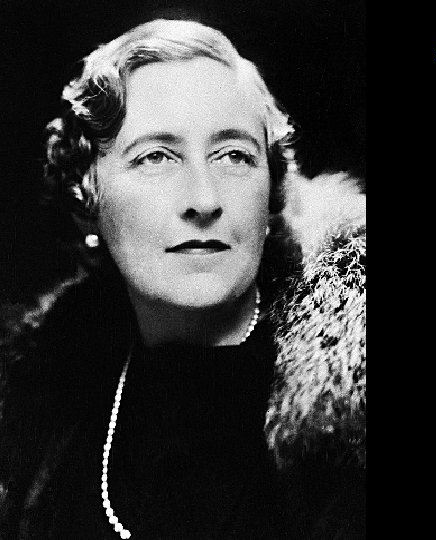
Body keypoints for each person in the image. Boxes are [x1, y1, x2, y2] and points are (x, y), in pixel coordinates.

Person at [0, 19, 365, 539]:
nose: (204, 199)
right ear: (88, 195)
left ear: (271, 193)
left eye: (234, 155)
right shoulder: (42, 403)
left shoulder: (347, 415)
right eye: (156, 157)